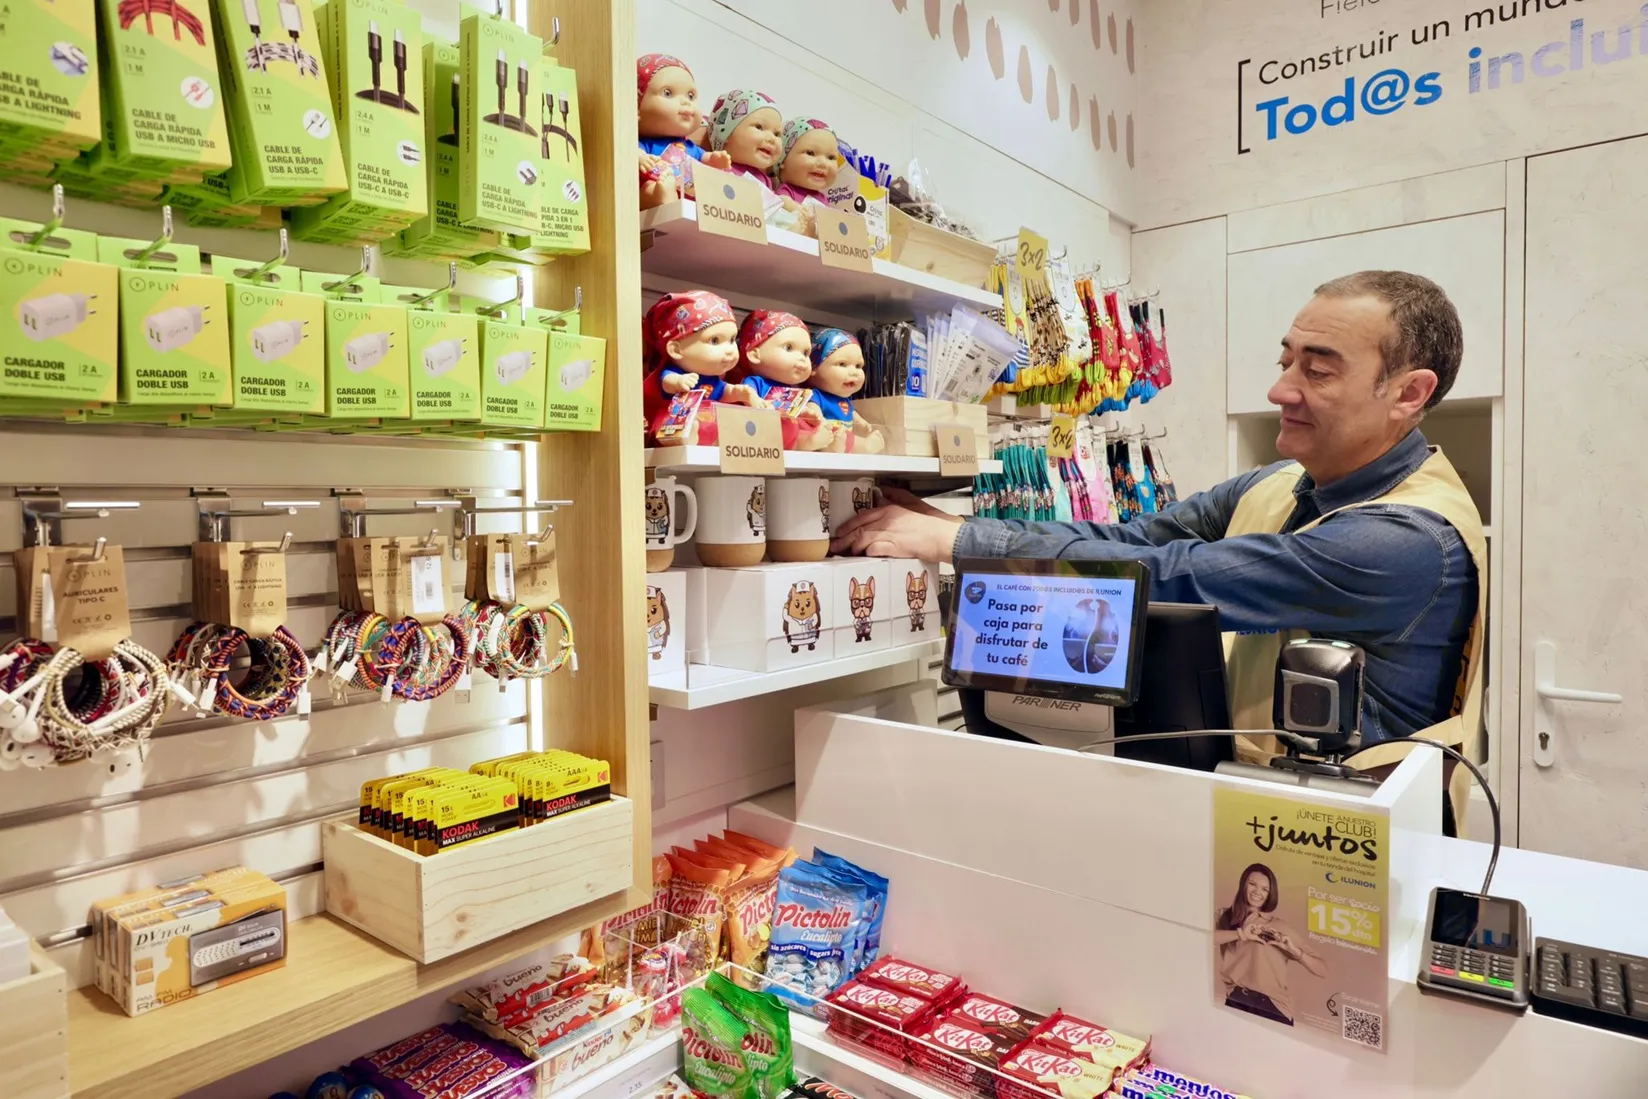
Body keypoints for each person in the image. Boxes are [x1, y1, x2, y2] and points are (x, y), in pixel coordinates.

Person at [833, 271, 1486, 831]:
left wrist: (961, 542)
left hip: (1364, 850)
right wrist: (957, 526)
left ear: (1408, 394)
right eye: (1285, 361)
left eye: (1317, 369)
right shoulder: (1277, 482)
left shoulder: (1406, 540)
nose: (1281, 389)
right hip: (1255, 814)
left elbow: (1174, 577)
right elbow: (1136, 538)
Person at [1214, 863, 1326, 1025]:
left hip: (1272, 1007)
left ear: (1270, 894)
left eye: (1265, 889)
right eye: (1252, 884)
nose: (1257, 892)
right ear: (1243, 884)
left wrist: (1296, 953)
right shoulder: (1223, 916)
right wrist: (1241, 934)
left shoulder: (1278, 926)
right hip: (1236, 1000)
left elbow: (1322, 969)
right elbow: (1203, 939)